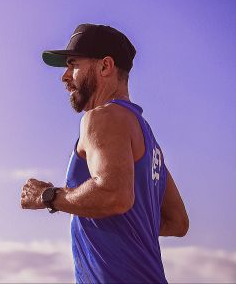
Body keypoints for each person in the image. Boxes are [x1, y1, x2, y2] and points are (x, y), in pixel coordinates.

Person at [20, 23, 189, 283]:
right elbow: (177, 222)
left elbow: (115, 195)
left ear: (105, 66)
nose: (65, 76)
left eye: (73, 64)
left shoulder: (102, 117)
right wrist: (126, 226)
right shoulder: (146, 136)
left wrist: (48, 197)